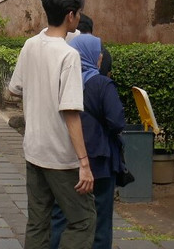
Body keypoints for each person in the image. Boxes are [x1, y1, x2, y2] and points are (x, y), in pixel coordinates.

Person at [8, 0, 95, 249]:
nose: (79, 17)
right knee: (83, 220)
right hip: (60, 154)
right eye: (78, 13)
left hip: (34, 147)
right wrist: (83, 162)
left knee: (37, 221)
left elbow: (15, 88)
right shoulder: (68, 55)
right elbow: (70, 111)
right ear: (70, 15)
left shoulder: (31, 44)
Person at [49, 34, 128, 249]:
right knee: (100, 218)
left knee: (61, 215)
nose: (101, 57)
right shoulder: (101, 83)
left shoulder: (60, 81)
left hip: (64, 156)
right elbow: (117, 121)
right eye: (99, 53)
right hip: (98, 160)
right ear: (93, 56)